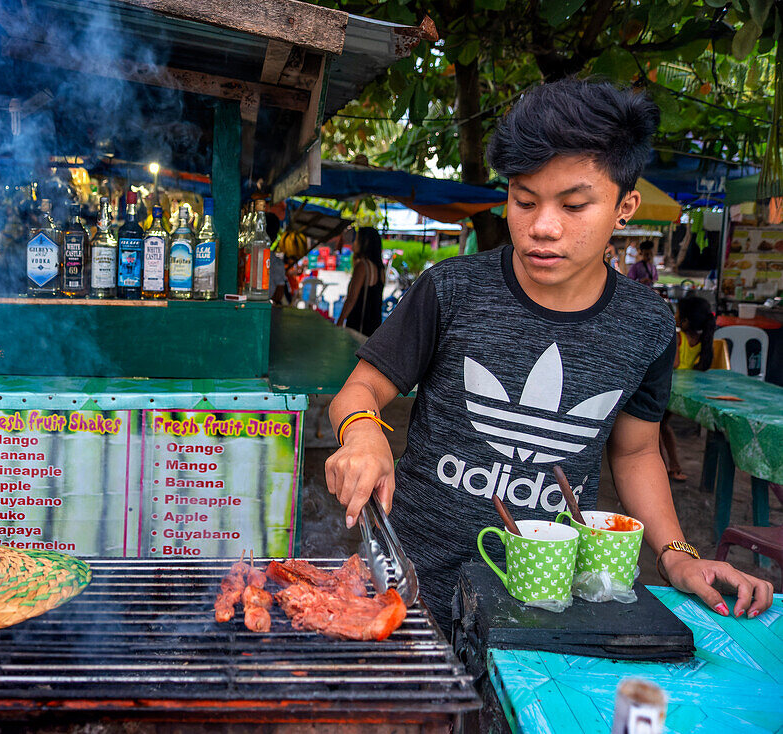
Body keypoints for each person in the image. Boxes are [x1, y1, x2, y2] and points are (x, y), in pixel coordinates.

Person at [324, 78, 773, 626]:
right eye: (524, 200)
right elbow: (360, 389)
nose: (542, 227)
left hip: (547, 597)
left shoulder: (649, 324)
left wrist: (677, 556)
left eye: (574, 205)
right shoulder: (452, 289)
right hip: (412, 586)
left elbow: (634, 454)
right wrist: (365, 431)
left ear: (624, 206)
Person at [660, 296, 716, 481]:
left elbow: (674, 363)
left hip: (670, 390)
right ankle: (673, 465)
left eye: (677, 312)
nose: (674, 315)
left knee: (654, 429)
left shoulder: (678, 338)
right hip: (685, 391)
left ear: (684, 320)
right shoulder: (703, 340)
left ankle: (665, 466)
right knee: (662, 427)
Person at [336, 227, 386, 337]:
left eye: (356, 239)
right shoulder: (380, 269)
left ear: (365, 243)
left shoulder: (363, 266)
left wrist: (339, 323)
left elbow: (351, 299)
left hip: (359, 325)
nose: (354, 243)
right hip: (374, 327)